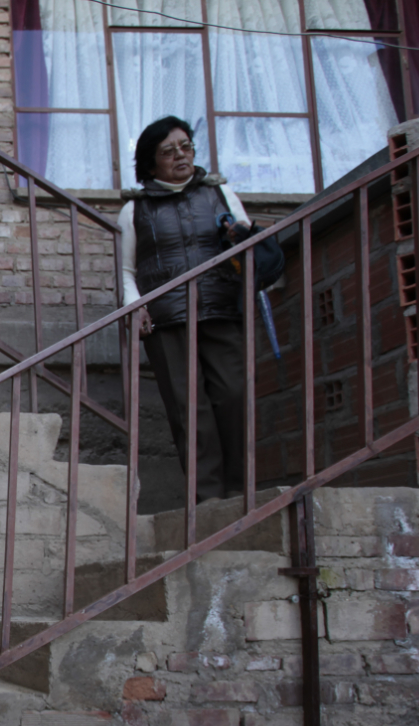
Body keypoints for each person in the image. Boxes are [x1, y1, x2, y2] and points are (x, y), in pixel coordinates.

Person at [120, 115, 256, 503]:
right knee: (188, 409)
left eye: (186, 147)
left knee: (234, 395)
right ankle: (207, 498)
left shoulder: (221, 194)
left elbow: (247, 246)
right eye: (168, 151)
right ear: (151, 163)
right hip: (167, 321)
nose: (180, 156)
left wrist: (241, 238)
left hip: (221, 309)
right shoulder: (134, 210)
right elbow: (127, 270)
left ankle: (238, 489)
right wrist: (136, 308)